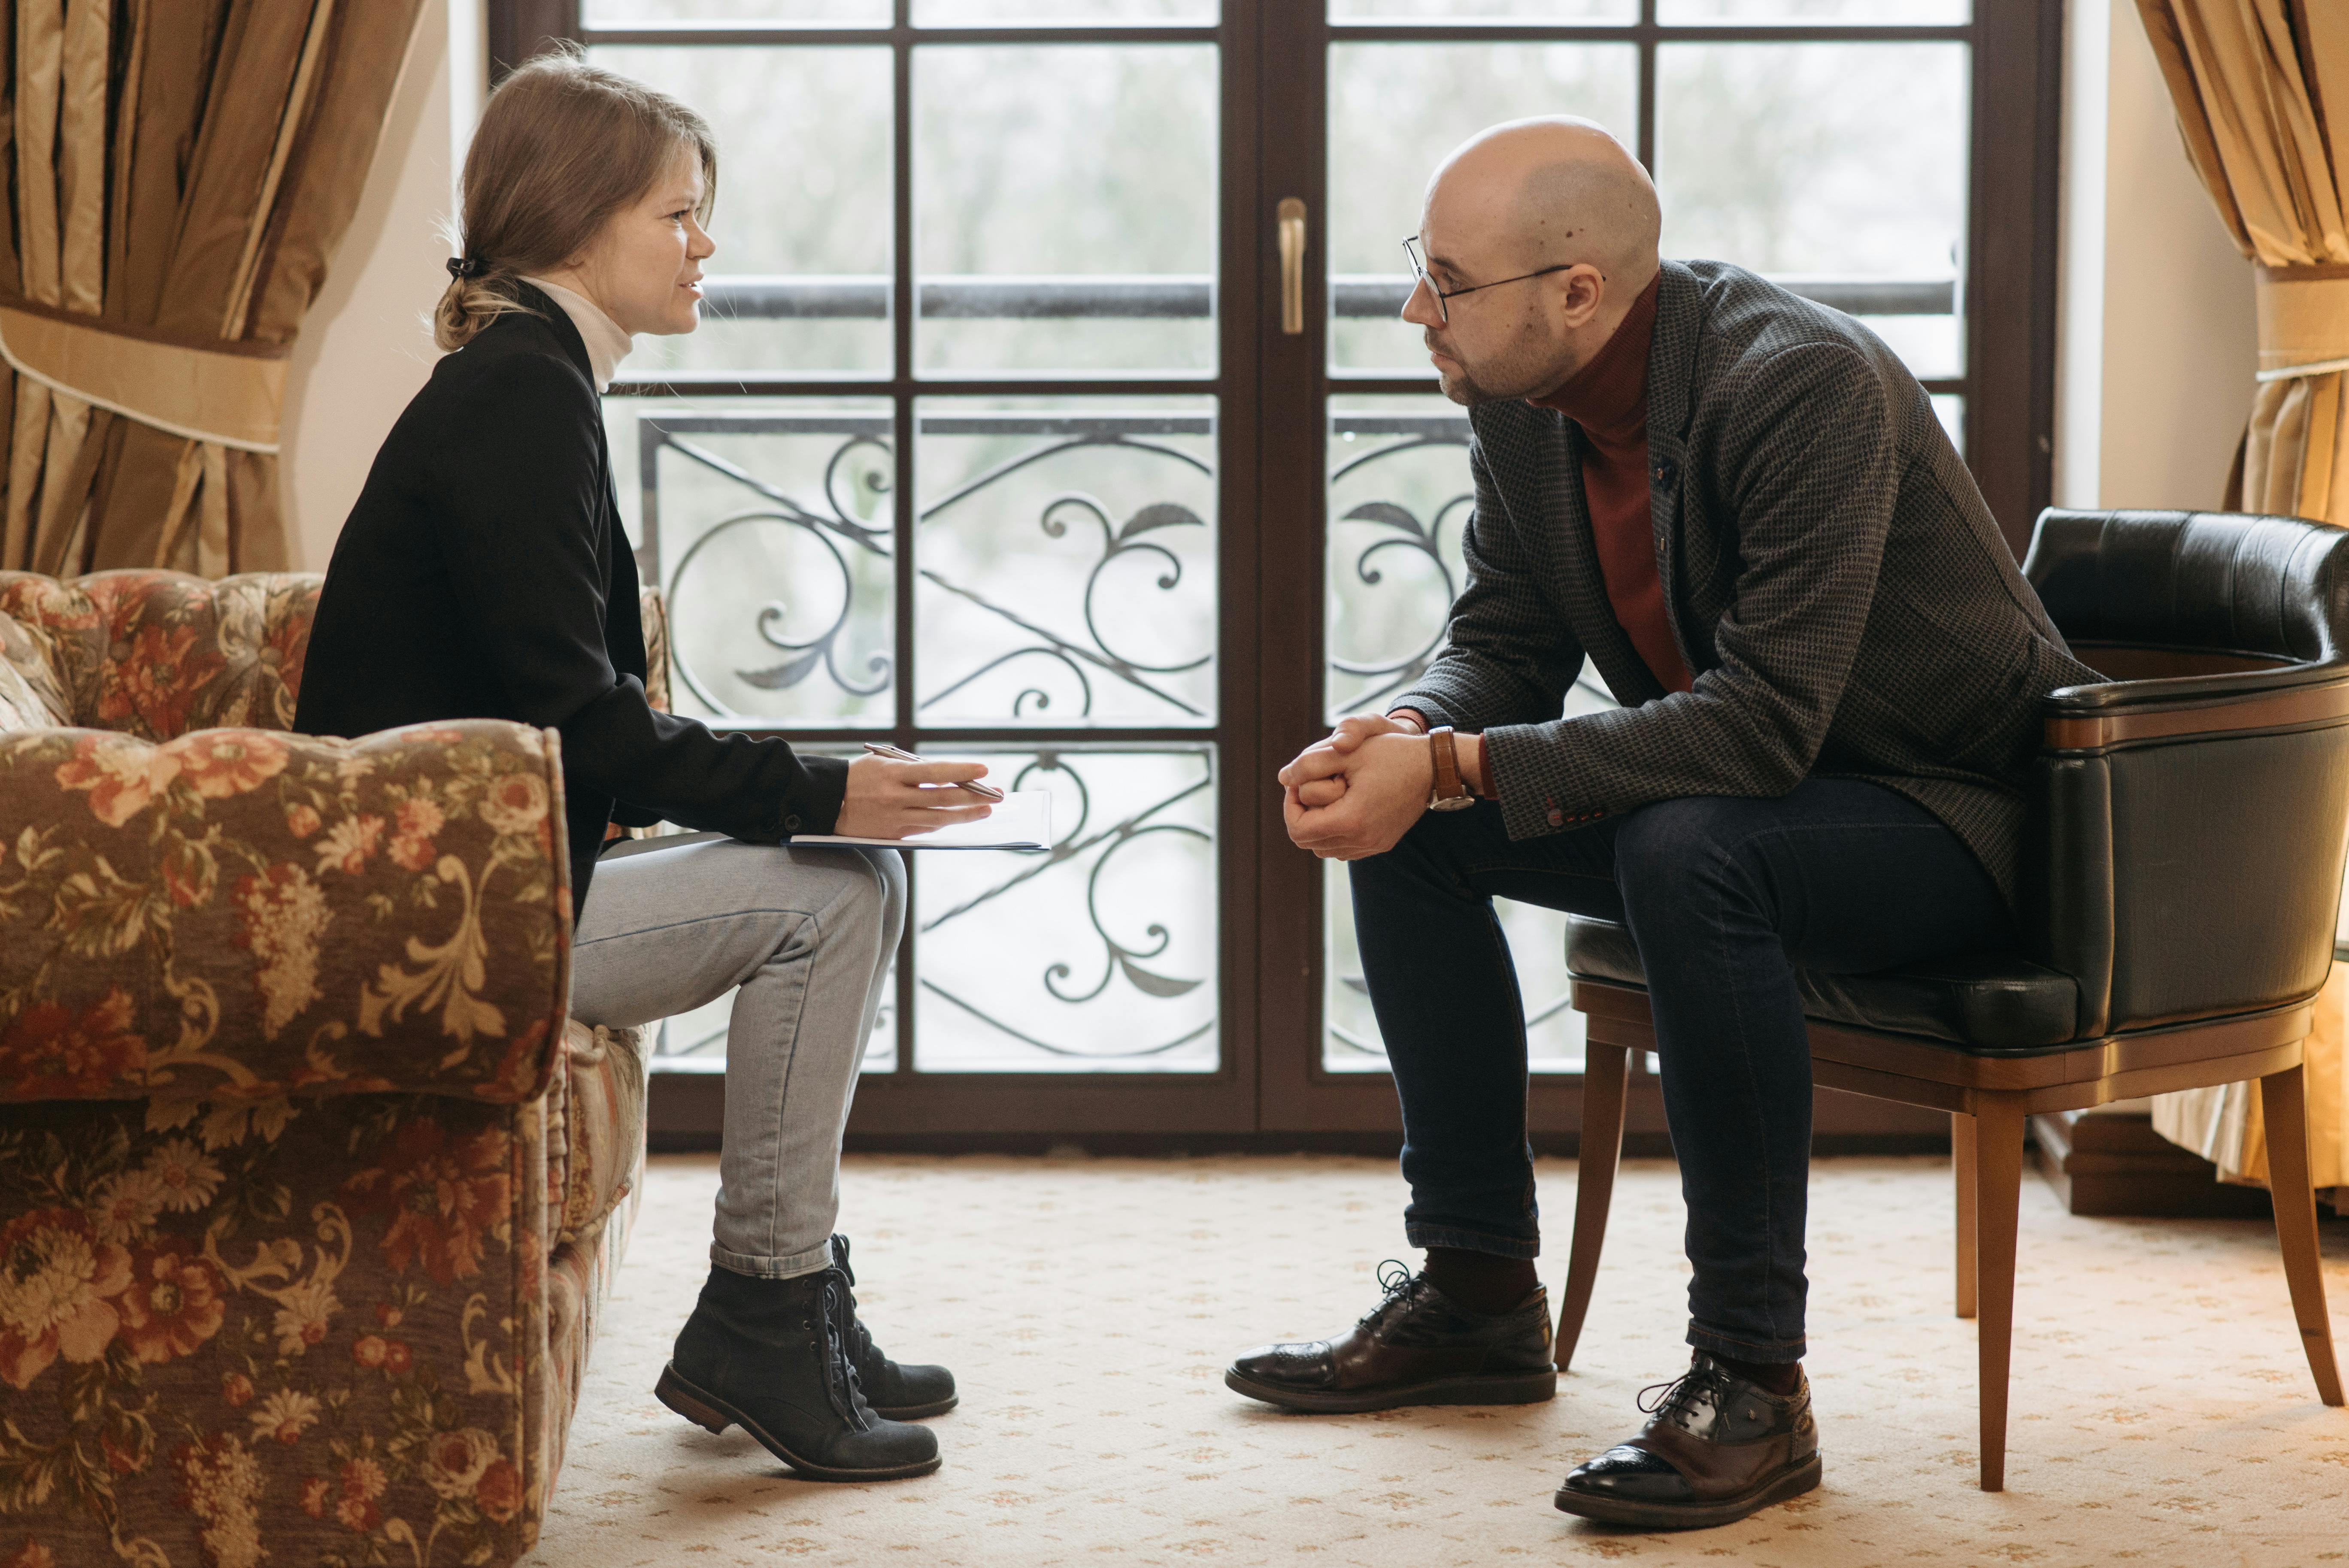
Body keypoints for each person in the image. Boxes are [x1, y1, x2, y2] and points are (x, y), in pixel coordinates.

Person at [1224, 117, 2101, 1530]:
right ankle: (1474, 1292)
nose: (1412, 311)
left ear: (1576, 291)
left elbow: (1763, 727)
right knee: (1426, 829)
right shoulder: (1522, 394)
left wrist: (1453, 763)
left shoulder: (1794, 382)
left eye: (1444, 280)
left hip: (1949, 810)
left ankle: (1753, 1382)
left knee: (1684, 850)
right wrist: (1402, 733)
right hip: (1753, 792)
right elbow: (1502, 636)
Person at [294, 48, 985, 1483]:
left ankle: (788, 1295)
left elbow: (573, 712)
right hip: (435, 909)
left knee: (848, 871)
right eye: (678, 213)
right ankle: (765, 1312)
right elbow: (587, 720)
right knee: (837, 894)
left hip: (479, 870)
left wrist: (815, 785)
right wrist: (813, 787)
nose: (704, 243)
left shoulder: (531, 377)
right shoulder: (519, 396)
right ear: (573, 219)